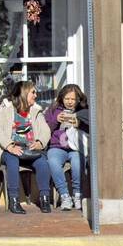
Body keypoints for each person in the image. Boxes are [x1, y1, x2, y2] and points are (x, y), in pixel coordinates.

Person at [0, 80, 54, 213]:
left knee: (42, 162)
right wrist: (9, 145)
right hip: (9, 149)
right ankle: (14, 200)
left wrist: (40, 142)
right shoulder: (6, 108)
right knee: (12, 161)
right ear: (24, 93)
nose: (36, 95)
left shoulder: (36, 110)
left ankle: (45, 199)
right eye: (33, 92)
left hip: (30, 149)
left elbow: (45, 130)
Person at [44, 84, 88, 212]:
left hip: (76, 147)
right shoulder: (53, 110)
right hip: (57, 146)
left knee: (78, 162)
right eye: (67, 98)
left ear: (78, 99)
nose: (69, 102)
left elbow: (91, 129)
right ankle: (64, 195)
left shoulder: (83, 111)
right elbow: (46, 130)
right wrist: (56, 120)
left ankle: (77, 194)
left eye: (73, 99)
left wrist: (79, 123)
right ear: (62, 98)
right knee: (52, 161)